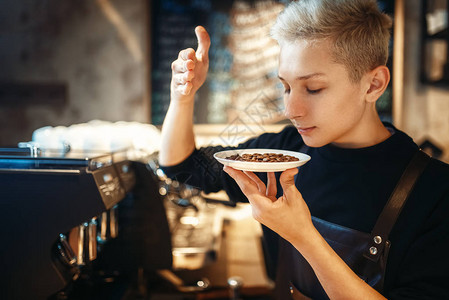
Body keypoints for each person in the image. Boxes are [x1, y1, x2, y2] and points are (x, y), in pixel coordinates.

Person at [159, 0, 449, 299]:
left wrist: (303, 236)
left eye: (313, 89)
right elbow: (182, 166)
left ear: (373, 84)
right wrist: (182, 97)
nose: (291, 109)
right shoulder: (285, 152)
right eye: (286, 87)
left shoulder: (435, 192)